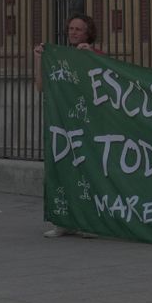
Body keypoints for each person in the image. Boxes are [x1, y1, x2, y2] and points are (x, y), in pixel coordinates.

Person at [34, 13, 100, 238]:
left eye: (78, 29)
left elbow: (105, 81)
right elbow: (42, 87)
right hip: (63, 123)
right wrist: (39, 58)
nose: (72, 32)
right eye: (70, 28)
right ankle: (63, 220)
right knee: (63, 169)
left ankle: (88, 222)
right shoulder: (59, 57)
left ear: (88, 33)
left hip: (88, 125)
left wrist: (91, 57)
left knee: (88, 172)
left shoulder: (95, 54)